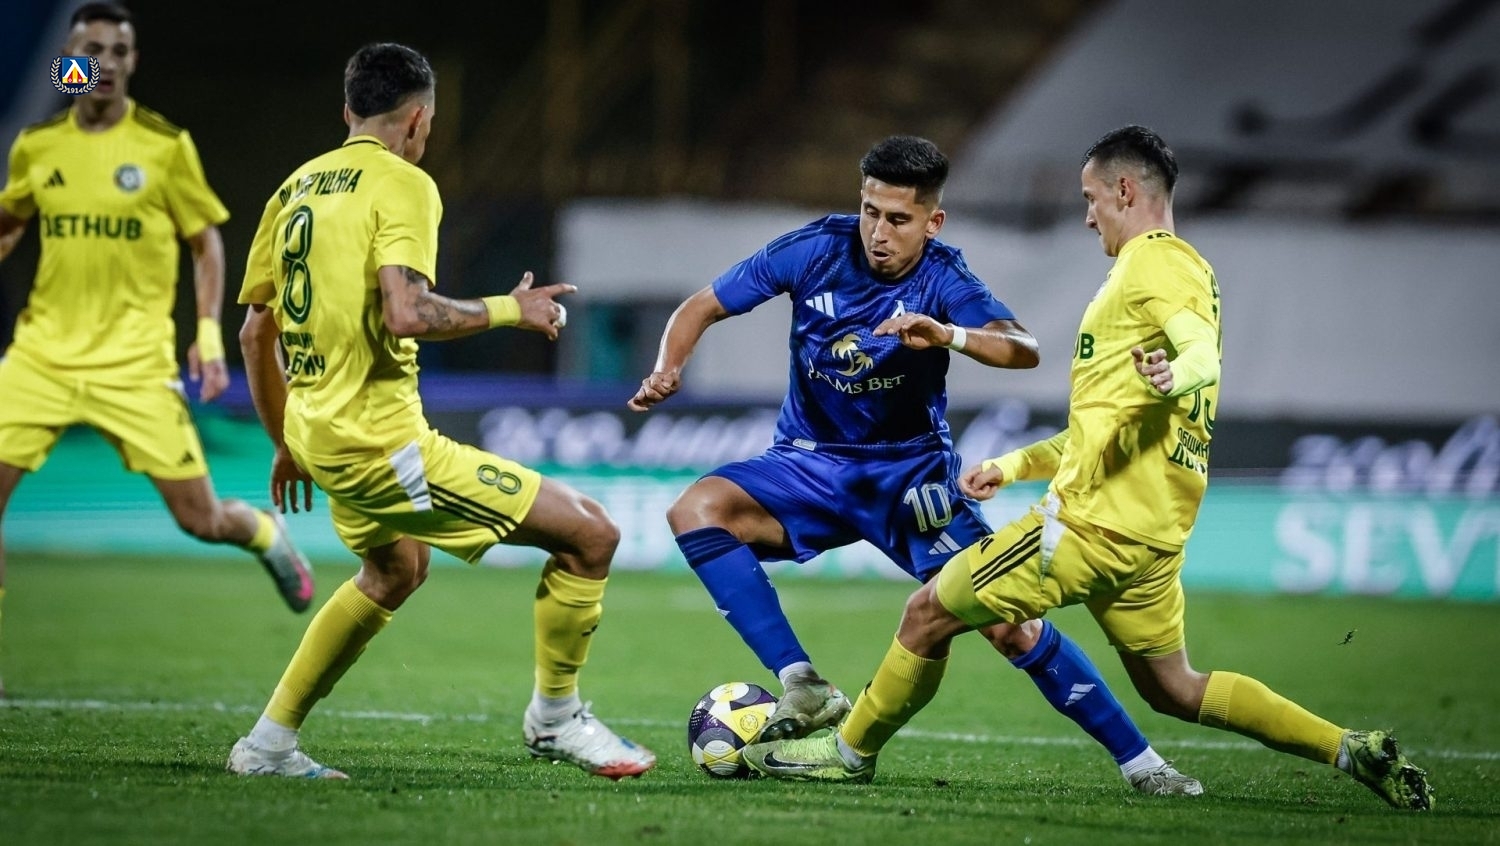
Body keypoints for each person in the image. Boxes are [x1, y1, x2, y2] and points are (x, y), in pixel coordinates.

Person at [742, 125, 1433, 811]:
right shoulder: (1184, 272)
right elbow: (1107, 422)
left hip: (1087, 529)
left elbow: (1199, 353)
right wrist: (1015, 464)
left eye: (1091, 198)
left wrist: (1180, 374)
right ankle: (1350, 748)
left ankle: (847, 754)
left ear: (1124, 190)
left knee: (928, 612)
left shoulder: (1155, 264)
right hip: (1153, 539)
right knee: (1175, 688)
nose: (1087, 215)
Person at [630, 135, 1200, 795]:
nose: (878, 232)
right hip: (810, 465)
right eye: (870, 211)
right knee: (697, 509)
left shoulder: (944, 276)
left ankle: (1143, 763)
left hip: (910, 480)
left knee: (1011, 627)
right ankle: (802, 682)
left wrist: (948, 333)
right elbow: (701, 305)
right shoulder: (815, 248)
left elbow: (1023, 348)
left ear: (933, 222)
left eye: (898, 219)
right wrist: (668, 367)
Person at [226, 42, 654, 782]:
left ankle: (267, 745)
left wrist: (286, 442)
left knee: (394, 570)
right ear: (420, 119)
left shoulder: (292, 189)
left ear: (348, 111)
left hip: (317, 433)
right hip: (380, 445)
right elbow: (407, 312)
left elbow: (254, 333)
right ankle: (555, 719)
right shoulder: (404, 183)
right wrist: (511, 309)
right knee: (591, 534)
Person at [0, 1, 314, 696]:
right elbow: (10, 220)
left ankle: (261, 532)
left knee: (201, 519)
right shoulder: (37, 148)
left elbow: (205, 242)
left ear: (133, 62)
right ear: (69, 63)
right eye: (91, 51)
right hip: (39, 357)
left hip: (134, 366)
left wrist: (205, 334)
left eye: (118, 51)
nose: (105, 63)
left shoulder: (164, 148)